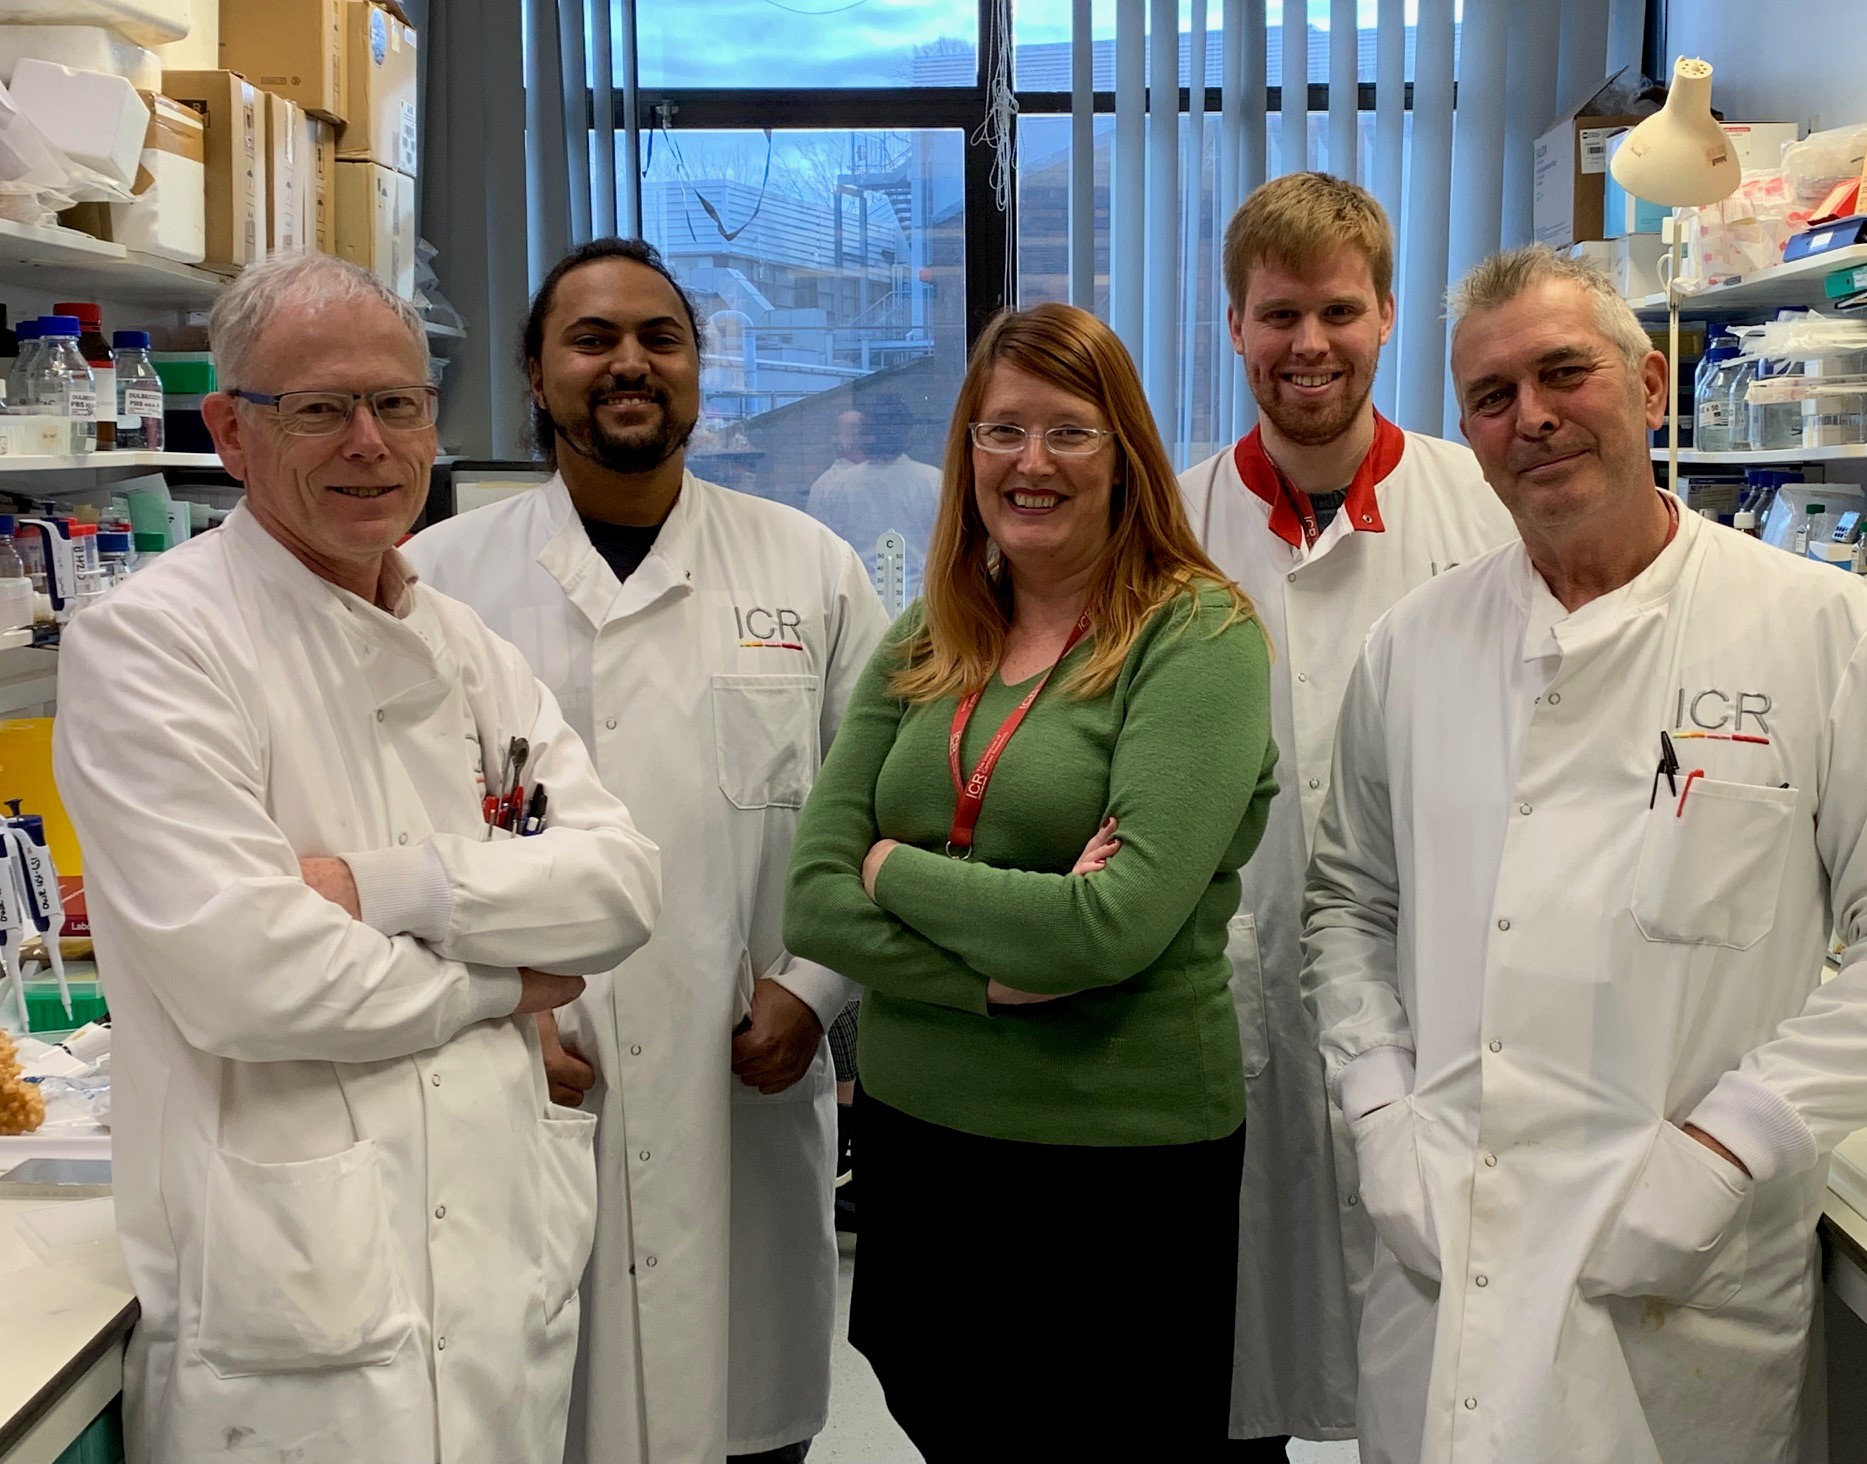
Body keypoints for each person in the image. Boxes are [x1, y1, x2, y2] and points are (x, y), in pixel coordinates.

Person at [1301, 244, 1867, 1464]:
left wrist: (1730, 1151)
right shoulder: (1415, 645)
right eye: (1493, 396)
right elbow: (1349, 903)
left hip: (1683, 1274)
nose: (1534, 419)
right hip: (1445, 1242)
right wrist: (1376, 1108)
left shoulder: (1814, 627)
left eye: (1566, 373)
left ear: (1653, 384)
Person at [52, 253, 662, 1464]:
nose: (369, 445)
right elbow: (256, 978)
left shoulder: (464, 643)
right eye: (318, 410)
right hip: (295, 1319)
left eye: (396, 405)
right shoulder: (156, 644)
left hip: (496, 1276)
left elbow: (620, 886)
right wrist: (505, 988)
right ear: (230, 430)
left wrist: (391, 891)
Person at [405, 238, 884, 1464]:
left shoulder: (809, 570)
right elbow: (394, 840)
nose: (630, 364)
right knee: (535, 1417)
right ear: (533, 375)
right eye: (593, 339)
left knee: (743, 1421)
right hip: (524, 1080)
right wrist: (503, 1015)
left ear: (698, 370)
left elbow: (883, 808)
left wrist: (815, 994)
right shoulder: (437, 585)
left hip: (744, 1081)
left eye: (660, 339)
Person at [784, 301, 1279, 1462]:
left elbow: (1105, 929)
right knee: (945, 1414)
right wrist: (989, 982)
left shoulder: (1195, 635)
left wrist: (895, 866)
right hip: (925, 1141)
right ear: (966, 453)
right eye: (1001, 432)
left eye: (1070, 431)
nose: (1031, 463)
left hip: (1117, 1163)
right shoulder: (931, 632)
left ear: (1126, 455)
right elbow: (811, 897)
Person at [1179, 171, 1515, 1457]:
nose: (1307, 345)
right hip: (1232, 996)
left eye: (1336, 311)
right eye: (1277, 316)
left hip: (1448, 1004)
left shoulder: (1481, 503)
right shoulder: (1177, 520)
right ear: (1234, 327)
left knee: (1439, 1378)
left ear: (1385, 319)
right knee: (1241, 1361)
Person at [806, 391, 941, 608]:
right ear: (907, 434)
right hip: (918, 613)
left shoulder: (836, 486)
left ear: (865, 435)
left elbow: (818, 560)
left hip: (860, 611)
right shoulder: (934, 482)